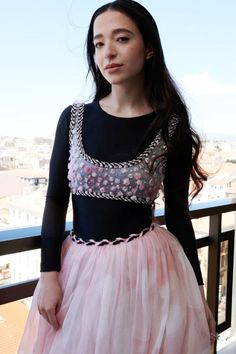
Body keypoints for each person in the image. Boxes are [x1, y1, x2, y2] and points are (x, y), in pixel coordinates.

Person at [18, 1, 216, 353]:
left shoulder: (171, 124)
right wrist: (48, 275)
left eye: (121, 39)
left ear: (149, 47)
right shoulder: (74, 118)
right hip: (79, 270)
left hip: (148, 272)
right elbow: (54, 199)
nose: (107, 51)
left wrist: (197, 295)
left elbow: (178, 215)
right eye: (98, 44)